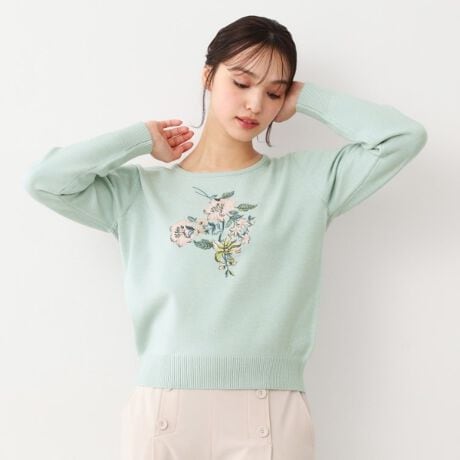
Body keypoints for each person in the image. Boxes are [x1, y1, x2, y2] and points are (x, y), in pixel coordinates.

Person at [22, 14, 428, 460]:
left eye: (273, 92)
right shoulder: (139, 192)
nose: (254, 104)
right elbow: (46, 180)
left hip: (270, 411)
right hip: (164, 413)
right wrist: (140, 139)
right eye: (241, 82)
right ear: (208, 77)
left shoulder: (306, 182)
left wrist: (307, 98)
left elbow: (403, 138)